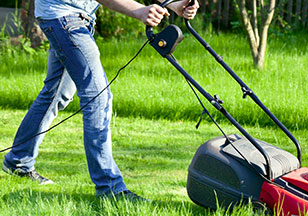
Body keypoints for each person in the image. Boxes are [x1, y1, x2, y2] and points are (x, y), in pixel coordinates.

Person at [2, 0, 199, 201]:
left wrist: (175, 3)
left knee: (56, 93)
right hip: (63, 16)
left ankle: (19, 160)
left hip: (74, 17)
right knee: (97, 97)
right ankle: (109, 188)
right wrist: (139, 11)